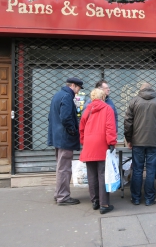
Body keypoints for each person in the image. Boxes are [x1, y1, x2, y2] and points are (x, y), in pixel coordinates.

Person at [124, 82, 156, 206]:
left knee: (137, 170)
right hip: (154, 142)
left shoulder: (134, 101)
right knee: (150, 170)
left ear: (141, 90)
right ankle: (150, 198)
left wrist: (129, 139)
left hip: (137, 141)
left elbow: (128, 122)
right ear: (152, 89)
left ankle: (136, 198)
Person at [79, 88, 117, 214]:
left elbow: (82, 128)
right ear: (103, 97)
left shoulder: (88, 109)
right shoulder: (107, 109)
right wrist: (111, 142)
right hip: (101, 144)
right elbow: (110, 127)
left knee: (92, 175)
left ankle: (94, 201)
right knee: (102, 175)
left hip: (89, 145)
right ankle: (104, 204)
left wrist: (84, 141)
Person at [48, 77, 83, 206]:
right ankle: (63, 197)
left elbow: (50, 117)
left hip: (58, 137)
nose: (78, 92)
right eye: (78, 88)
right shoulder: (67, 97)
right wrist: (73, 131)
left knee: (61, 166)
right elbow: (66, 117)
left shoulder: (58, 95)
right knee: (64, 168)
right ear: (73, 85)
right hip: (65, 138)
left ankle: (58, 194)